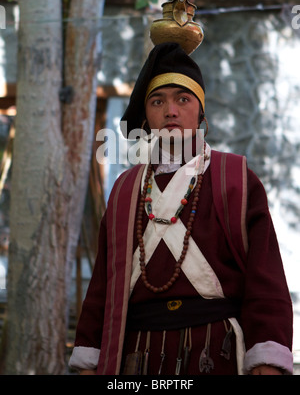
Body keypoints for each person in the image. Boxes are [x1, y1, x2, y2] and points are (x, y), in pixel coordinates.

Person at [69, 42, 293, 375]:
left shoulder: (236, 179)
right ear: (146, 116)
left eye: (182, 99)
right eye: (157, 101)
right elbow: (102, 285)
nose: (170, 111)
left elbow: (266, 276)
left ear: (201, 112)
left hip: (216, 353)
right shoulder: (125, 189)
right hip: (136, 356)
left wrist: (268, 359)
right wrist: (89, 357)